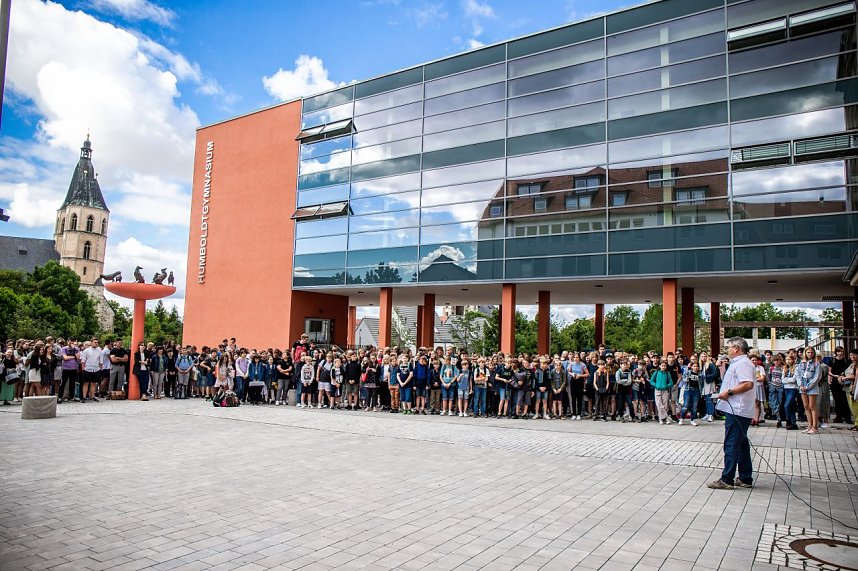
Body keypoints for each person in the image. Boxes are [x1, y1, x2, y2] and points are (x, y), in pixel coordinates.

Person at [708, 337, 756, 490]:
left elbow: (748, 384)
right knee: (741, 445)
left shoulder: (743, 363)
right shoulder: (738, 363)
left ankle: (727, 478)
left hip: (738, 409)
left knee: (731, 444)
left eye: (729, 347)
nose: (727, 350)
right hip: (736, 408)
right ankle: (745, 477)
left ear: (736, 348)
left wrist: (729, 392)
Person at [795, 347, 821, 434]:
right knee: (806, 406)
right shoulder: (800, 364)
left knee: (812, 406)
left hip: (811, 387)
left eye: (812, 353)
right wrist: (800, 385)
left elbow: (817, 377)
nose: (810, 354)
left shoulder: (816, 364)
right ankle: (809, 425)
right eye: (808, 352)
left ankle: (815, 427)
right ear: (805, 353)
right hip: (802, 386)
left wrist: (808, 386)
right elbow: (797, 375)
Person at [80, 337, 103, 402]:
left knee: (93, 383)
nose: (96, 344)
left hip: (96, 369)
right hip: (87, 369)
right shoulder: (86, 350)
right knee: (86, 383)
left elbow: (101, 360)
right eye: (95, 342)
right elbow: (83, 360)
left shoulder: (99, 350)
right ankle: (84, 397)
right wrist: (83, 369)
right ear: (91, 342)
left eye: (97, 342)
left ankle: (92, 396)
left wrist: (100, 368)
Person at [841, 348, 858, 431]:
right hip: (848, 388)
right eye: (851, 355)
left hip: (854, 388)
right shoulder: (851, 364)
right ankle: (856, 423)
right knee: (852, 408)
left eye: (855, 354)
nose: (853, 356)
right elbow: (845, 373)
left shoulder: (856, 365)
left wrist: (844, 378)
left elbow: (855, 377)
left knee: (855, 407)